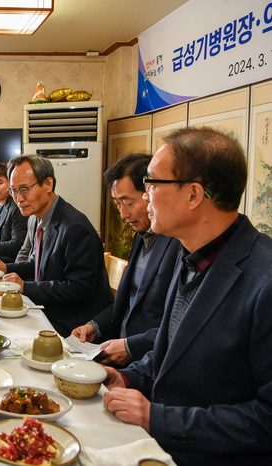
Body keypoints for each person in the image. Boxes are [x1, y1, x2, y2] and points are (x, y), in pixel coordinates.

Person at [103, 127, 272, 465]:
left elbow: (266, 418)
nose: (145, 195)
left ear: (194, 195)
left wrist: (158, 418)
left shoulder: (263, 278)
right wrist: (125, 376)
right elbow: (169, 353)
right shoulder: (191, 254)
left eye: (151, 183)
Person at [70, 153, 180, 366]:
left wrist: (131, 347)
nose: (122, 214)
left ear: (150, 194)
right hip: (116, 350)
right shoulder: (142, 236)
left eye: (128, 203)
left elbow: (178, 324)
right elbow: (128, 300)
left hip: (148, 361)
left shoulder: (178, 244)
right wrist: (95, 326)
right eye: (117, 204)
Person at [0, 155, 113, 337]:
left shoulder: (74, 227)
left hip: (75, 324)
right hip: (50, 311)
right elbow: (39, 263)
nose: (18, 199)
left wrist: (26, 287)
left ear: (48, 184)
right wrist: (6, 267)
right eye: (13, 191)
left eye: (24, 189)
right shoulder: (37, 218)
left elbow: (79, 287)